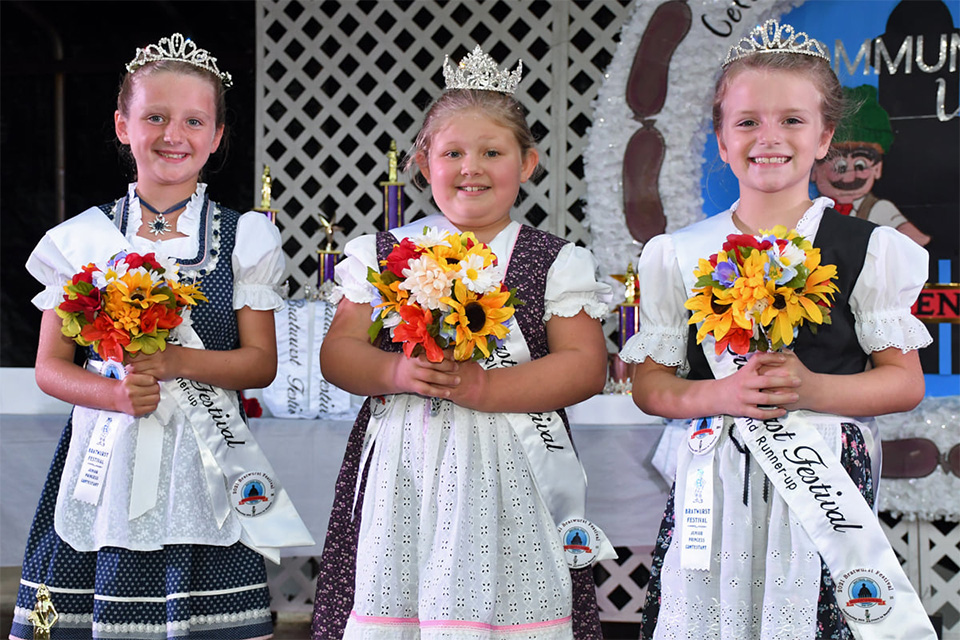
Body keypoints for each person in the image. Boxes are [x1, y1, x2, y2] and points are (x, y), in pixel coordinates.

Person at [621, 20, 937, 640]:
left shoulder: (870, 249)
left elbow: (903, 383)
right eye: (747, 122)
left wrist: (809, 388)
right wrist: (717, 396)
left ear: (825, 138)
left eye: (792, 120)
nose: (769, 137)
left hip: (823, 481)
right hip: (711, 480)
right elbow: (651, 385)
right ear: (719, 140)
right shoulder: (677, 254)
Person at [11, 33, 311, 640]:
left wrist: (174, 359)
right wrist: (116, 395)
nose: (174, 134)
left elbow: (259, 365)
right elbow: (50, 368)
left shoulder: (245, 238)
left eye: (193, 120)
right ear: (124, 126)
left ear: (217, 137)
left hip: (205, 470)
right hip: (103, 464)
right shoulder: (80, 241)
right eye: (155, 117)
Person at [311, 45, 613, 639]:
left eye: (492, 152)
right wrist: (394, 374)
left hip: (514, 462)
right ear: (425, 164)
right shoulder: (382, 254)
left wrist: (486, 385)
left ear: (527, 164)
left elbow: (585, 366)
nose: (470, 167)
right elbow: (339, 352)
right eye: (452, 152)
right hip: (406, 462)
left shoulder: (554, 261)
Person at [810, 84, 931, 246]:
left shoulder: (879, 209)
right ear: (814, 170)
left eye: (860, 166)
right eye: (839, 167)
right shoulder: (811, 210)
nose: (850, 176)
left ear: (877, 168)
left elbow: (917, 239)